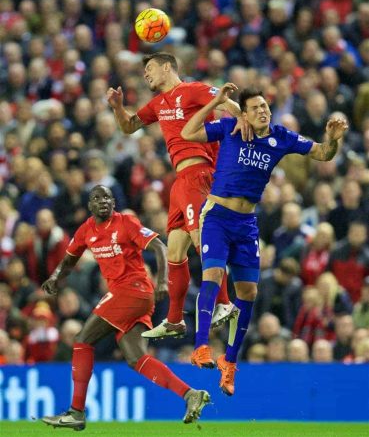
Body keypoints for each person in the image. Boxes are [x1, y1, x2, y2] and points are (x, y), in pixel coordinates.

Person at [181, 82, 347, 396]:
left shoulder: (281, 137)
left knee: (249, 291)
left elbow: (323, 154)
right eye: (256, 107)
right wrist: (215, 102)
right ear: (244, 114)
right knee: (214, 275)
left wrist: (333, 140)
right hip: (217, 214)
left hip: (246, 223)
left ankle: (229, 363)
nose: (263, 111)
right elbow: (189, 133)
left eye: (265, 107)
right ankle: (201, 346)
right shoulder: (230, 127)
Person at [41, 185, 210, 430]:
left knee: (81, 340)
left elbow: (160, 247)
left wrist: (163, 280)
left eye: (108, 197)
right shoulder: (86, 229)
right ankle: (190, 394)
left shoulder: (126, 223)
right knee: (136, 358)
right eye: (97, 198)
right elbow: (69, 259)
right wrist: (56, 277)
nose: (103, 201)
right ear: (90, 206)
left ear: (114, 202)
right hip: (131, 298)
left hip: (132, 291)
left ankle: (76, 411)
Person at [107, 52, 248, 339]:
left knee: (202, 239)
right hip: (180, 181)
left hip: (198, 173)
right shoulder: (158, 104)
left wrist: (243, 120)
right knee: (174, 251)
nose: (146, 74)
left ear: (167, 67)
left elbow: (228, 104)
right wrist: (118, 108)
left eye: (150, 68)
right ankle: (174, 320)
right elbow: (129, 126)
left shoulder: (193, 90)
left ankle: (224, 303)